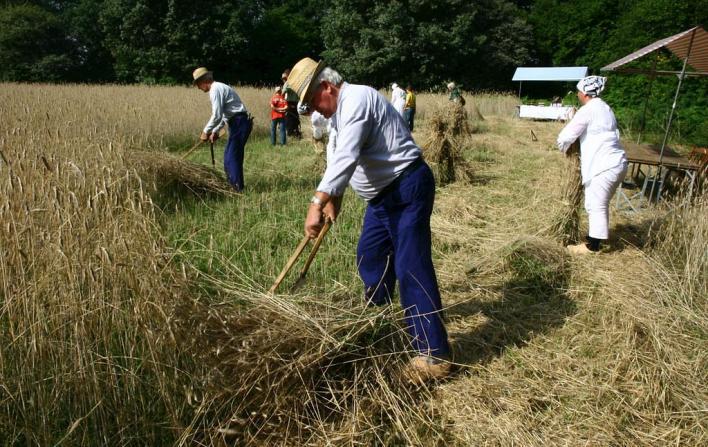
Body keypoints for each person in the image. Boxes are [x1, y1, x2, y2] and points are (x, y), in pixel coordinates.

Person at [287, 57, 451, 382]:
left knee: (410, 266)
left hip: (406, 187)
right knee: (371, 254)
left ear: (327, 87)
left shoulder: (358, 99)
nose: (314, 111)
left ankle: (435, 354)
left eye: (311, 102)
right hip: (381, 199)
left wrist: (317, 201)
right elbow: (340, 159)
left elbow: (348, 154)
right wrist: (336, 196)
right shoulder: (340, 112)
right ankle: (375, 318)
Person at [556, 76, 628, 255]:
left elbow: (566, 136)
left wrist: (564, 148)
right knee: (598, 203)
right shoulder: (604, 108)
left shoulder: (588, 110)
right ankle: (595, 239)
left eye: (579, 91)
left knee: (596, 204)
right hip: (616, 163)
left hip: (604, 164)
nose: (578, 94)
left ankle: (592, 247)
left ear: (586, 93)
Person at [193, 67, 252, 192]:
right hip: (237, 122)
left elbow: (217, 115)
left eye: (197, 84)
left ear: (203, 81)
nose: (198, 87)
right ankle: (233, 185)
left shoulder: (215, 89)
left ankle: (236, 189)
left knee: (232, 157)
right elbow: (224, 116)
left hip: (239, 123)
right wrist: (215, 131)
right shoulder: (218, 88)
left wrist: (206, 131)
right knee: (229, 156)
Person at [281, 69, 303, 139]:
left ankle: (291, 134)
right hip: (296, 103)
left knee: (289, 119)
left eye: (284, 78)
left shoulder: (287, 83)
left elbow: (283, 93)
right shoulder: (297, 81)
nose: (283, 80)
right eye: (282, 78)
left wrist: (281, 99)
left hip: (289, 102)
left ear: (288, 76)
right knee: (295, 118)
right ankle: (296, 133)